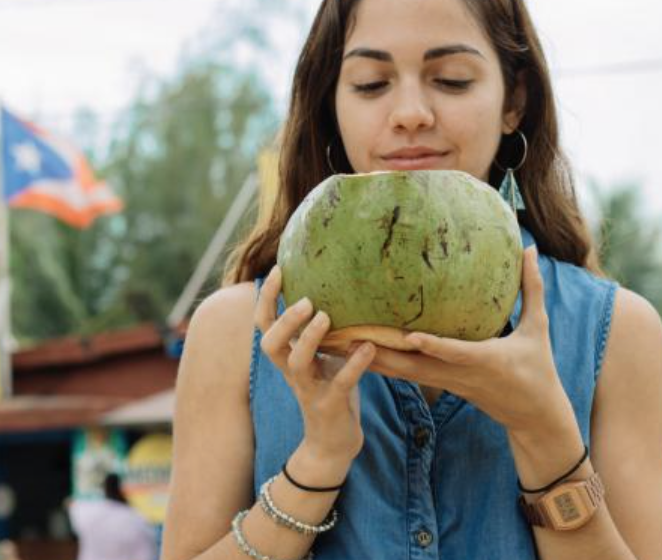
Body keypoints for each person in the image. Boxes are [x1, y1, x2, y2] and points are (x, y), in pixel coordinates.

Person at [161, 0, 662, 559]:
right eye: (371, 84)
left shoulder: (617, 333)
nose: (409, 113)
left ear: (514, 102)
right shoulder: (235, 331)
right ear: (332, 105)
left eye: (450, 80)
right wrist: (317, 465)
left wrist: (545, 435)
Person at [68, 473, 157, 560]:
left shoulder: (88, 512)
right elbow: (147, 553)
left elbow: (70, 504)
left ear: (104, 490)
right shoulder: (136, 518)